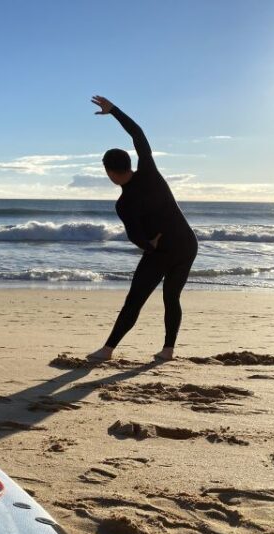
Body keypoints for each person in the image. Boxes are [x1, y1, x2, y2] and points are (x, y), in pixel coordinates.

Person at [87, 95, 198, 362]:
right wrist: (113, 111)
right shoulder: (149, 171)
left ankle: (107, 349)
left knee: (135, 299)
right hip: (187, 244)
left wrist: (151, 245)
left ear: (109, 172)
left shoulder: (123, 203)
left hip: (162, 252)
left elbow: (135, 236)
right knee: (172, 298)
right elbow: (138, 134)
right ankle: (168, 350)